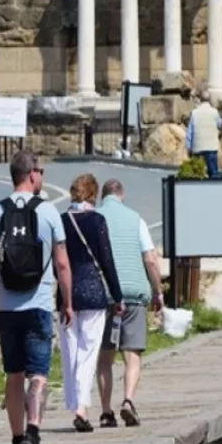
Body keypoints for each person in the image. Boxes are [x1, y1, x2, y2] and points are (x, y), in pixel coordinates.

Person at [0, 150, 73, 444]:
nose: (43, 177)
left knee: (13, 374)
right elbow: (62, 262)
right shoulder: (48, 212)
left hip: (7, 307)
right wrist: (68, 302)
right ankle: (33, 432)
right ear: (31, 174)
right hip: (38, 304)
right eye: (42, 171)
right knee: (38, 374)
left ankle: (15, 442)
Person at [96, 179, 165, 429]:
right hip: (134, 295)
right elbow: (149, 258)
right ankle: (127, 400)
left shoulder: (95, 218)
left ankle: (105, 412)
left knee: (104, 358)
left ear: (102, 197)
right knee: (132, 355)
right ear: (121, 196)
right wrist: (158, 291)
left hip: (104, 296)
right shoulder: (136, 219)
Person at [58, 174, 123, 433]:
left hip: (67, 294)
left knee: (70, 353)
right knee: (88, 353)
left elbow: (57, 262)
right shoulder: (97, 221)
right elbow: (106, 261)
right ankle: (81, 407)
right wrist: (117, 296)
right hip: (94, 293)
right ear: (93, 195)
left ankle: (76, 403)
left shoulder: (62, 221)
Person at [185, 89, 222, 177]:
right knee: (213, 174)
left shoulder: (194, 113)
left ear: (200, 100)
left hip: (197, 148)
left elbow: (189, 133)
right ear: (209, 100)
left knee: (197, 174)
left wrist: (188, 148)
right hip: (211, 148)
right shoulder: (214, 112)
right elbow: (220, 124)